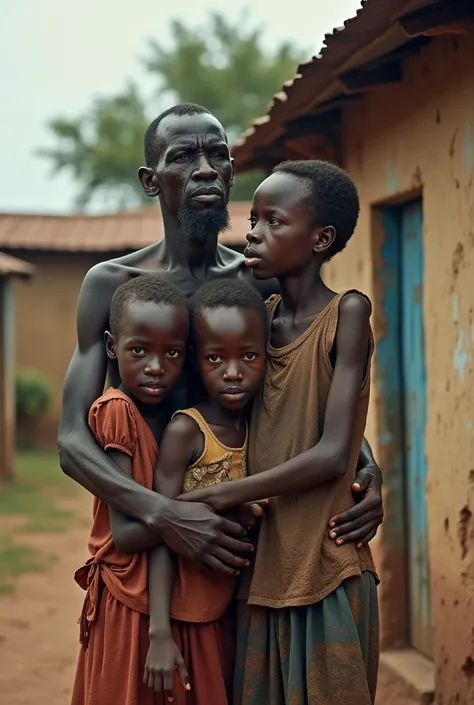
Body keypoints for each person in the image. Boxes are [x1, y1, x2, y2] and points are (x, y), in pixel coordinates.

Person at [58, 103, 383, 579]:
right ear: (151, 180)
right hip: (140, 538)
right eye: (184, 157)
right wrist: (164, 514)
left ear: (232, 174)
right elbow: (71, 440)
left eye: (218, 155)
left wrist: (366, 468)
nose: (205, 169)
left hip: (238, 539)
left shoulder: (257, 286)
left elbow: (310, 386)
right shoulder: (112, 286)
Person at [181, 161, 380, 705]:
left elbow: (333, 450)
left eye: (274, 221)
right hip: (263, 572)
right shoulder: (258, 322)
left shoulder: (349, 314)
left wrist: (212, 496)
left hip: (325, 565)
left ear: (321, 239)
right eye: (253, 219)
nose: (253, 232)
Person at [139, 279, 267, 704]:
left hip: (235, 610)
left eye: (248, 356)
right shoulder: (186, 430)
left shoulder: (262, 425)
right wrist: (159, 631)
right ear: (197, 362)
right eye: (216, 358)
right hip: (184, 613)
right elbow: (161, 526)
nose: (233, 373)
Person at [71, 275, 190, 705]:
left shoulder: (171, 415)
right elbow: (128, 531)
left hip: (157, 597)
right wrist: (209, 507)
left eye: (171, 352)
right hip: (129, 601)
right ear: (110, 346)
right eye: (138, 351)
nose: (155, 366)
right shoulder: (118, 409)